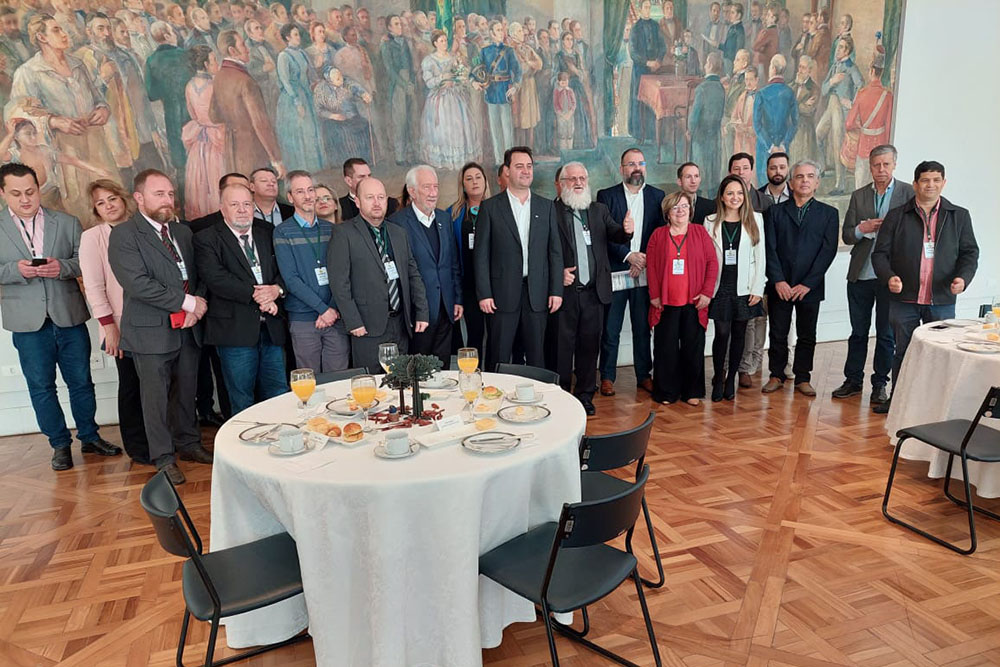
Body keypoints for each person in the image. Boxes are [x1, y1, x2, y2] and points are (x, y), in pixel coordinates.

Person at [0, 163, 119, 471]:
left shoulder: (66, 222)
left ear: (39, 189)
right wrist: (16, 270)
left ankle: (90, 437)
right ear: (3, 193)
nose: (25, 199)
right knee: (41, 386)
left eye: (30, 191)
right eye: (16, 194)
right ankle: (59, 444)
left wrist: (61, 268)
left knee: (81, 381)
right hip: (27, 323)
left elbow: (83, 262)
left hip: (69, 315)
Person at [107, 169, 213, 486]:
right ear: (139, 198)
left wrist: (198, 305)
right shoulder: (125, 235)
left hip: (188, 328)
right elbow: (138, 284)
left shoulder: (181, 234)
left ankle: (189, 443)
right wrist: (187, 303)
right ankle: (164, 458)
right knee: (155, 399)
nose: (168, 200)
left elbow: (198, 276)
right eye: (159, 194)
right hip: (150, 331)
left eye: (169, 194)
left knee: (187, 391)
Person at [871, 161, 979, 414]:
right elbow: (880, 254)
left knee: (940, 354)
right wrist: (889, 277)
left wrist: (963, 278)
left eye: (936, 180)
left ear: (944, 182)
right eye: (925, 180)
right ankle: (898, 400)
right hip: (904, 298)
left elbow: (970, 253)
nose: (931, 185)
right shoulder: (897, 216)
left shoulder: (958, 215)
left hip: (941, 299)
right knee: (903, 352)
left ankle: (935, 405)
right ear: (915, 184)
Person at [193, 181, 286, 414]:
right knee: (242, 398)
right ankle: (246, 448)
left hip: (271, 329)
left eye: (247, 204)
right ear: (222, 208)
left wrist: (277, 290)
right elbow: (215, 278)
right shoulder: (206, 238)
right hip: (235, 332)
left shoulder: (268, 232)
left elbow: (286, 268)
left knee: (279, 393)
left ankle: (283, 441)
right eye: (235, 204)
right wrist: (258, 295)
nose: (242, 209)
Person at [834, 144, 914, 405]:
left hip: (892, 277)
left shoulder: (907, 193)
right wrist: (862, 228)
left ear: (894, 164)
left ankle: (880, 384)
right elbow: (846, 235)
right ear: (870, 167)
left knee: (885, 335)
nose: (881, 170)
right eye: (876, 165)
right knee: (858, 332)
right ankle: (853, 380)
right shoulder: (858, 196)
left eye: (886, 164)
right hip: (861, 274)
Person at [80, 179, 150, 464]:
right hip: (121, 325)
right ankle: (138, 447)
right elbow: (94, 286)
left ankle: (161, 439)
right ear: (96, 210)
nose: (108, 206)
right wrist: (110, 327)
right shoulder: (92, 238)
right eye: (101, 203)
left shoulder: (142, 228)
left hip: (154, 321)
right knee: (132, 385)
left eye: (112, 198)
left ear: (124, 199)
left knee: (157, 385)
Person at [474, 146, 563, 370]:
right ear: (507, 171)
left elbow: (554, 252)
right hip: (501, 296)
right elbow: (481, 255)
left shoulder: (547, 207)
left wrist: (556, 291)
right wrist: (484, 294)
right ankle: (495, 401)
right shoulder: (490, 208)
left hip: (537, 295)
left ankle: (535, 402)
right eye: (519, 166)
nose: (526, 171)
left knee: (536, 357)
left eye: (529, 166)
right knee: (499, 355)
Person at [554, 162, 632, 415]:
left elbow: (615, 234)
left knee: (590, 348)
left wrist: (627, 231)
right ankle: (561, 395)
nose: (578, 183)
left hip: (594, 292)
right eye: (572, 179)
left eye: (582, 178)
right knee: (562, 348)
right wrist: (557, 275)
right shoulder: (550, 211)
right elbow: (541, 253)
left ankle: (586, 395)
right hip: (565, 294)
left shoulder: (598, 210)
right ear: (561, 184)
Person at [328, 177, 429, 370]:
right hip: (366, 328)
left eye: (381, 197)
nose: (377, 203)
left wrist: (422, 312)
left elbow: (413, 274)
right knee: (373, 386)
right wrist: (353, 321)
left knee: (402, 381)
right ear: (357, 201)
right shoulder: (343, 233)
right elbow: (339, 283)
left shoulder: (399, 233)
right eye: (370, 197)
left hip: (400, 324)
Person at [761, 160, 839, 397]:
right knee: (777, 332)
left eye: (809, 176)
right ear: (791, 182)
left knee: (807, 334)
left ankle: (803, 377)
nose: (804, 180)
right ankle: (776, 374)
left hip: (809, 287)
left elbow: (828, 251)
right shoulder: (775, 212)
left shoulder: (829, 214)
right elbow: (769, 249)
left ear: (816, 183)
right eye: (799, 177)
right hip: (781, 285)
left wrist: (808, 283)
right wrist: (778, 281)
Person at [596, 148, 664, 396]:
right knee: (611, 327)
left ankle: (644, 375)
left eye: (640, 163)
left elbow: (659, 235)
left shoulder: (658, 196)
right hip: (617, 271)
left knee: (642, 327)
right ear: (622, 168)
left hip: (645, 272)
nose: (637, 167)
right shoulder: (606, 196)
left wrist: (642, 259)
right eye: (631, 163)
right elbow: (603, 234)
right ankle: (607, 376)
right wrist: (628, 256)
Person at [647, 191, 718, 406]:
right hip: (666, 302)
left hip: (694, 302)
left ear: (691, 210)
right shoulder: (658, 235)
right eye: (675, 207)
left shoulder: (700, 232)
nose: (681, 211)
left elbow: (712, 264)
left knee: (693, 349)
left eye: (685, 206)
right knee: (665, 349)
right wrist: (654, 296)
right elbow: (650, 267)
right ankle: (666, 392)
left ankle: (692, 391)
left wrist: (707, 293)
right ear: (667, 212)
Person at [273, 171, 348, 373]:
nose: (307, 196)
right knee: (310, 383)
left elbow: (341, 273)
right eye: (300, 191)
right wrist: (322, 309)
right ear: (290, 197)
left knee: (339, 380)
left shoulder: (331, 229)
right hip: (303, 319)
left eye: (310, 190)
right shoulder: (282, 231)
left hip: (336, 317)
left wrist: (330, 309)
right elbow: (291, 279)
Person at [389, 165, 461, 368]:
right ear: (412, 191)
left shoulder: (444, 219)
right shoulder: (397, 223)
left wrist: (457, 299)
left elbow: (452, 263)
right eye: (427, 187)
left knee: (443, 370)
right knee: (418, 370)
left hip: (446, 308)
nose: (433, 193)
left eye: (436, 187)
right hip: (417, 313)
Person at [704, 175, 765, 402]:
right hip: (720, 287)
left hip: (745, 287)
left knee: (739, 334)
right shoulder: (710, 221)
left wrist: (758, 288)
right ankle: (718, 377)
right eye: (730, 193)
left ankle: (731, 380)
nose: (735, 197)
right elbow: (705, 259)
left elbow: (761, 257)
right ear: (722, 196)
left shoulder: (755, 220)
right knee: (721, 334)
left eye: (739, 193)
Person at [212, 30, 284, 179]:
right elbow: (260, 123)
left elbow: (213, 115)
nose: (247, 48)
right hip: (253, 150)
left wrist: (234, 120)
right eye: (243, 45)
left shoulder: (219, 77)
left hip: (232, 149)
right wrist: (276, 159)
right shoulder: (246, 81)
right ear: (232, 51)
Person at [420, 30, 479, 170]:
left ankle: (457, 159)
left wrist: (457, 80)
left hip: (454, 97)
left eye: (446, 40)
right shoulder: (428, 60)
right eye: (441, 41)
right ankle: (444, 159)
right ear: (435, 43)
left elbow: (461, 77)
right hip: (439, 99)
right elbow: (429, 82)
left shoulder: (453, 58)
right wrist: (442, 78)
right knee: (442, 129)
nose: (444, 43)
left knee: (458, 126)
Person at [448, 162, 490, 360]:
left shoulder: (497, 208)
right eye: (469, 178)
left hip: (493, 283)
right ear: (462, 185)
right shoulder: (452, 213)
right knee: (474, 334)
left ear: (485, 181)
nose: (474, 182)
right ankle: (474, 376)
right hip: (466, 283)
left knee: (495, 335)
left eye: (478, 177)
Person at [181, 46, 225, 221]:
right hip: (216, 136)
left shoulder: (190, 85)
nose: (217, 63)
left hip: (199, 141)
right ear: (206, 64)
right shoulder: (215, 85)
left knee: (201, 181)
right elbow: (221, 112)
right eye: (214, 60)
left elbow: (192, 113)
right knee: (216, 179)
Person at [276, 24, 325, 173]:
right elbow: (285, 81)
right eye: (295, 35)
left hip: (306, 95)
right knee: (300, 131)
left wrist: (318, 84)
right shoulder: (283, 56)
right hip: (292, 99)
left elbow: (311, 73)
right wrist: (297, 103)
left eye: (298, 34)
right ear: (287, 38)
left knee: (311, 130)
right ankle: (300, 169)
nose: (299, 38)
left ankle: (314, 167)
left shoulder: (303, 53)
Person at [476, 19, 521, 164]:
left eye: (502, 29)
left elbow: (518, 71)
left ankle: (509, 161)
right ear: (491, 33)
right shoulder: (484, 51)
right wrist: (475, 82)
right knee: (495, 129)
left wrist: (515, 86)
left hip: (504, 91)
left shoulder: (509, 51)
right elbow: (475, 70)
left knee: (507, 129)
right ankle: (498, 161)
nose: (502, 33)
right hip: (490, 91)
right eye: (498, 30)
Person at [753, 54, 797, 184]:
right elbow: (794, 123)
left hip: (764, 148)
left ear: (772, 68)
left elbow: (757, 124)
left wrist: (770, 146)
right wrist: (784, 144)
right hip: (783, 148)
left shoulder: (761, 93)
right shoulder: (790, 92)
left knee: (763, 188)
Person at [381, 15, 417, 165]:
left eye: (400, 24)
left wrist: (412, 82)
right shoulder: (386, 45)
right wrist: (404, 84)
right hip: (397, 85)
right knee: (399, 120)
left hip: (409, 81)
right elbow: (390, 70)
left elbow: (411, 64)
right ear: (389, 27)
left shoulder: (405, 43)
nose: (400, 26)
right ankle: (400, 157)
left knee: (411, 119)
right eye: (396, 24)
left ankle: (411, 154)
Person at [688, 52, 725, 189]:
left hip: (700, 134)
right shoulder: (721, 88)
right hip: (715, 133)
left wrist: (690, 130)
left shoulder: (701, 89)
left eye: (706, 63)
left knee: (699, 166)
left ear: (709, 65)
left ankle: (697, 194)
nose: (704, 66)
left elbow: (694, 115)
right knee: (713, 167)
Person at [628, 0, 664, 141]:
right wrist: (646, 62)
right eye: (646, 7)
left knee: (653, 101)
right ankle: (640, 135)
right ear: (640, 9)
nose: (648, 9)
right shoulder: (635, 28)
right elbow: (633, 52)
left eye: (650, 7)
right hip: (640, 70)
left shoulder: (656, 26)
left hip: (654, 70)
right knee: (640, 102)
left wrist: (659, 61)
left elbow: (662, 46)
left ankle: (652, 134)